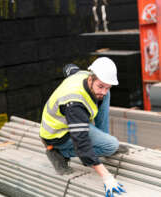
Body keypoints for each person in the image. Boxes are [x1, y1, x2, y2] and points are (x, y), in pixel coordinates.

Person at [39, 57, 128, 196]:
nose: (103, 91)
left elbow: (68, 67)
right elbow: (81, 143)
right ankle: (58, 153)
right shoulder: (75, 104)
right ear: (91, 78)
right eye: (100, 86)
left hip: (69, 122)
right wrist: (106, 176)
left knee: (105, 95)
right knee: (111, 146)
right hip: (58, 134)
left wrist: (102, 88)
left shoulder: (80, 74)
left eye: (107, 86)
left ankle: (104, 138)